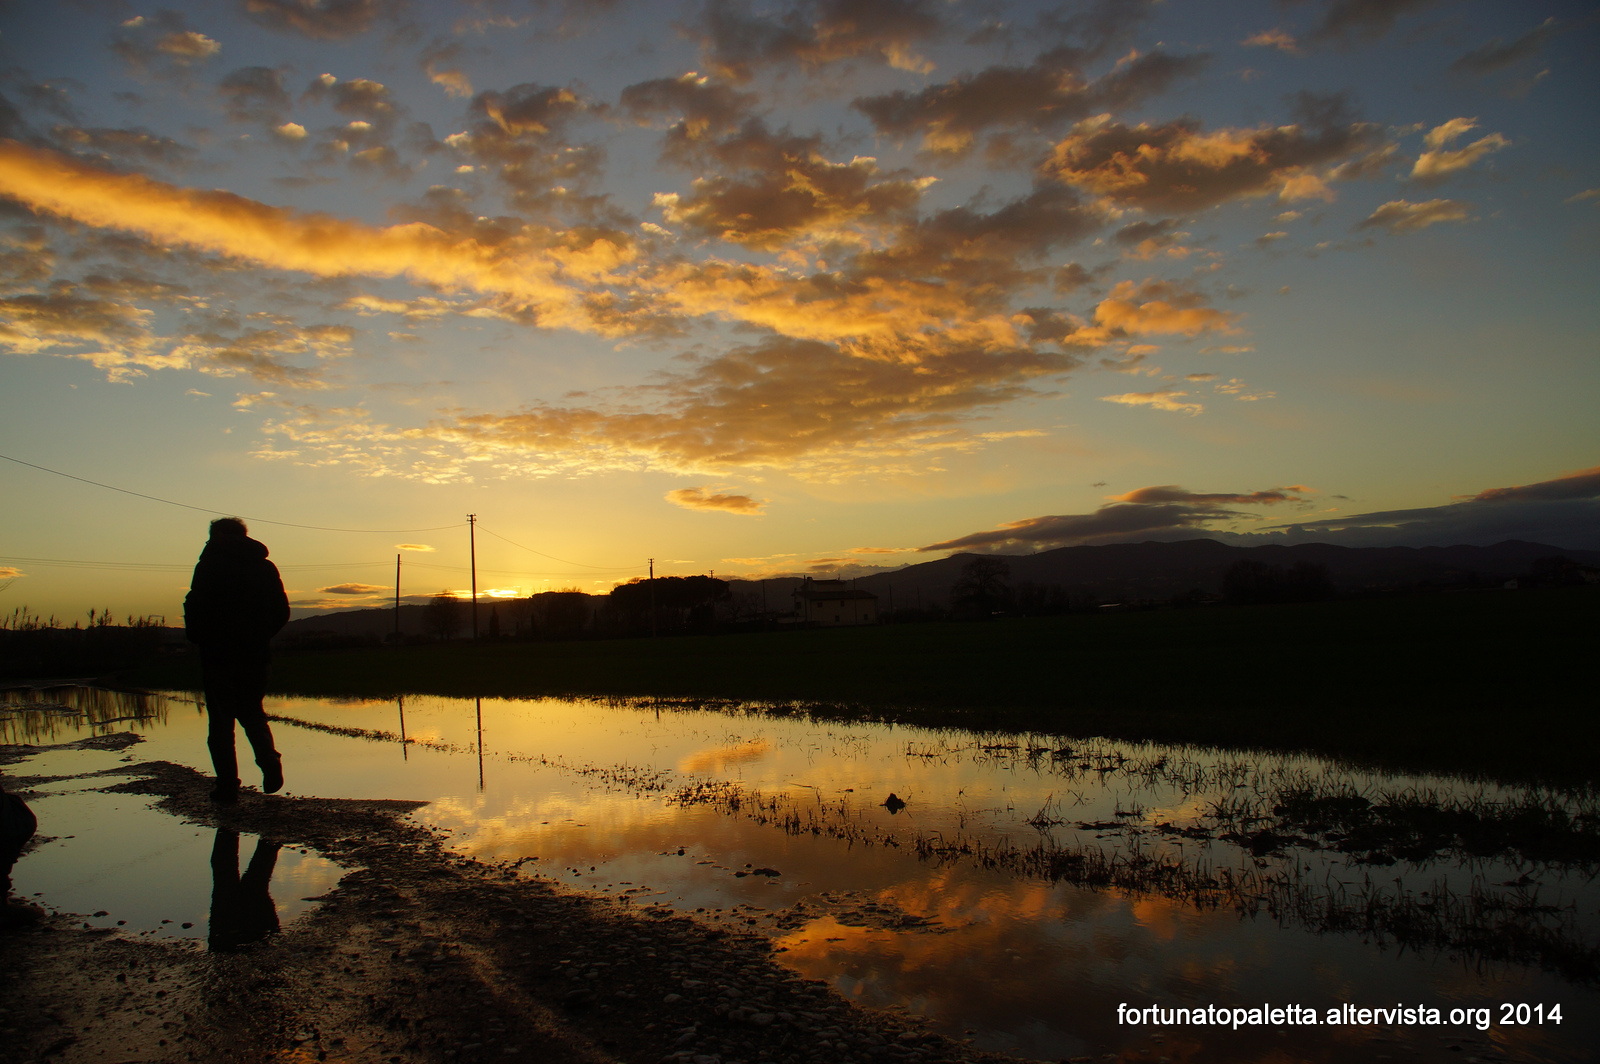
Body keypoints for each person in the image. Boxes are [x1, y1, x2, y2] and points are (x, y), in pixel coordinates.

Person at [184, 518, 290, 803]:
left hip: (218, 653)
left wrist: (198, 636)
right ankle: (269, 761)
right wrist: (261, 636)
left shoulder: (209, 565)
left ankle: (228, 786)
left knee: (220, 723)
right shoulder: (264, 567)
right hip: (254, 652)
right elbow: (282, 610)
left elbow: (196, 604)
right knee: (252, 712)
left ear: (218, 536)